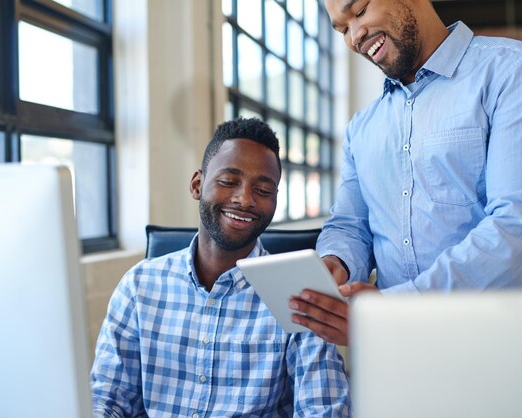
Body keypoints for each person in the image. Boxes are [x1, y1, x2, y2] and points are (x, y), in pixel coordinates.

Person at [289, 0, 522, 345]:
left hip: (503, 343)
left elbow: (520, 222)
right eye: (342, 29)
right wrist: (337, 261)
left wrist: (397, 307)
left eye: (360, 11)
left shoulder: (514, 70)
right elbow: (350, 224)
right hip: (397, 349)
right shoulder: (361, 128)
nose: (355, 37)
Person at [91, 117, 351, 417]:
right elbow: (108, 400)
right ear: (197, 185)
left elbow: (325, 411)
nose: (244, 200)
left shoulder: (299, 296)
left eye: (264, 191)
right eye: (229, 182)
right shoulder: (140, 285)